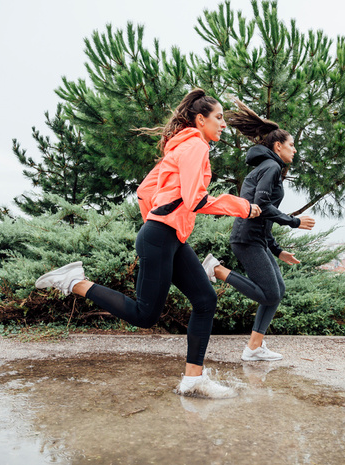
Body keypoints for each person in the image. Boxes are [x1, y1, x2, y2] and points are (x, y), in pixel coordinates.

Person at [35, 89, 261, 399]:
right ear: (200, 119)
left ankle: (193, 379)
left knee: (205, 300)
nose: (224, 124)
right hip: (162, 235)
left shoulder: (178, 148)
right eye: (218, 118)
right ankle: (74, 281)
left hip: (167, 235)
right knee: (145, 315)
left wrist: (157, 220)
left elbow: (144, 191)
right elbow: (195, 200)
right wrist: (243, 207)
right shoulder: (195, 145)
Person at [202, 99, 315, 362]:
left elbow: (262, 214)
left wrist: (278, 250)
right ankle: (217, 270)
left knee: (277, 292)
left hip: (257, 239)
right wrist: (294, 221)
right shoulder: (272, 167)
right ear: (278, 146)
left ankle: (254, 348)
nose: (295, 150)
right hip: (246, 239)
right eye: (291, 145)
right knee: (271, 293)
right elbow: (261, 205)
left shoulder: (269, 166)